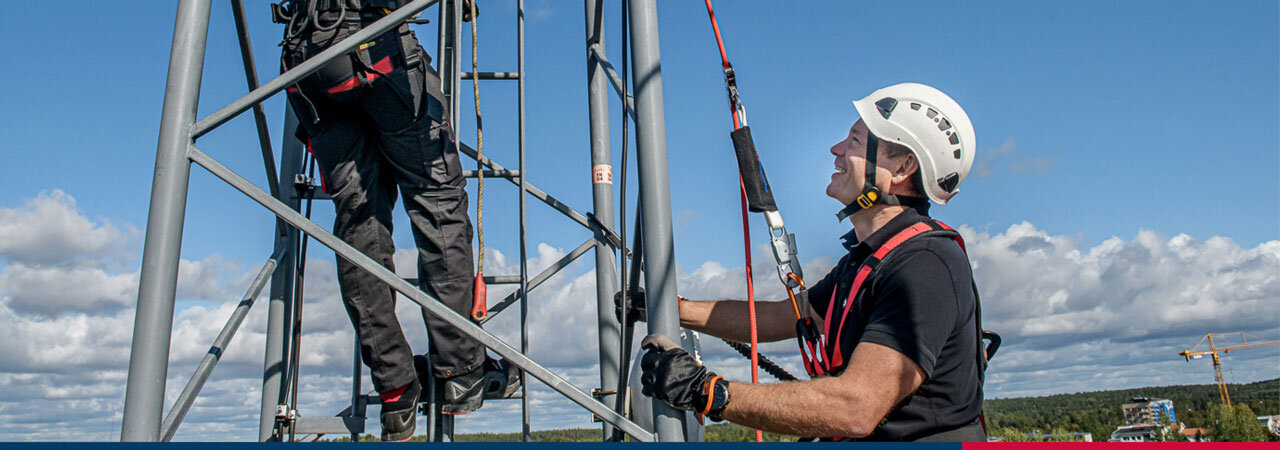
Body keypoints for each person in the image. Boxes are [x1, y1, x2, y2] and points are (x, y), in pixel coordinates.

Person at [636, 83, 987, 441]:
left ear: (903, 166)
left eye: (854, 140)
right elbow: (780, 318)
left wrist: (708, 392)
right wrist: (670, 308)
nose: (836, 150)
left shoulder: (924, 265)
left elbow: (855, 407)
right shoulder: (871, 261)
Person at [275, 0, 508, 441]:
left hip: (306, 63)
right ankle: (460, 370)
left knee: (359, 223)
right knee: (437, 201)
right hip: (375, 46)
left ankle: (396, 387)